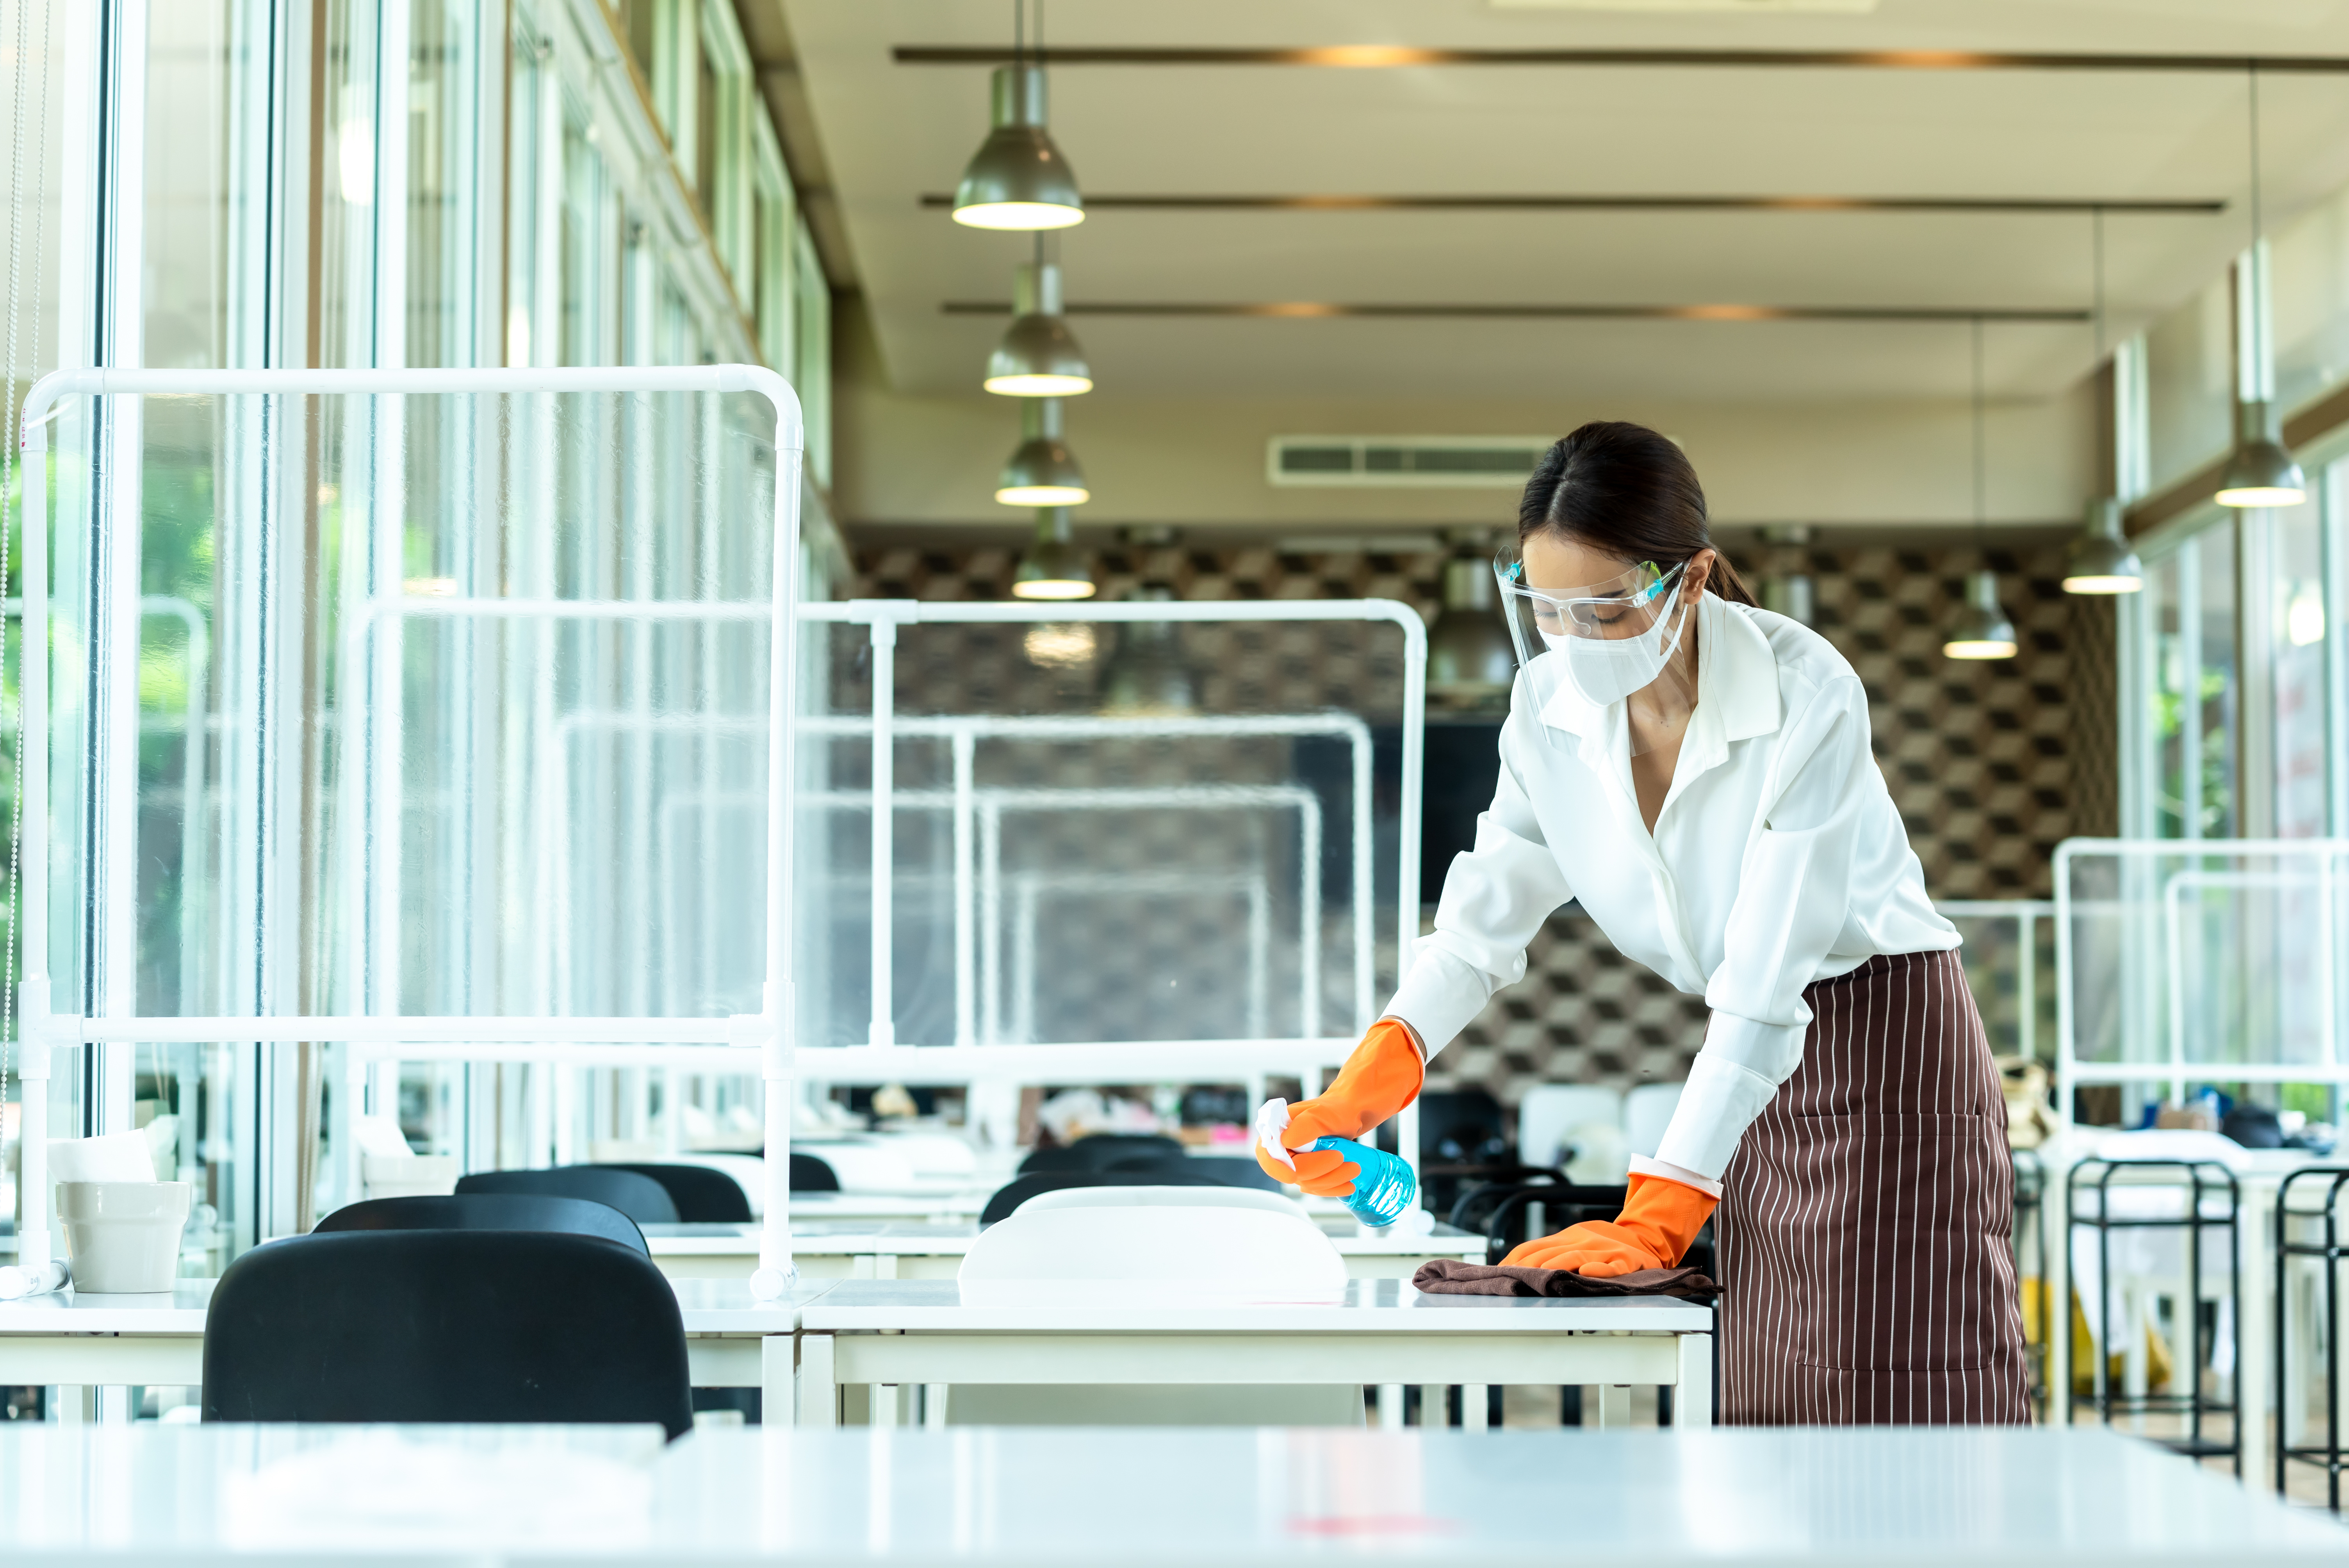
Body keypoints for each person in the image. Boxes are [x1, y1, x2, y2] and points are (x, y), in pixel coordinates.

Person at [1258, 421, 2028, 1425]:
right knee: (1769, 1383)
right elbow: (1479, 923)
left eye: (1608, 609)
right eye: (1548, 612)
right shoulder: (1545, 708)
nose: (1575, 641)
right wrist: (1367, 1082)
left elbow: (1766, 976)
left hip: (1887, 1049)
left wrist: (1660, 1207)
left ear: (1692, 577)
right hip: (1750, 1064)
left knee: (1889, 1385)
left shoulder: (1806, 693)